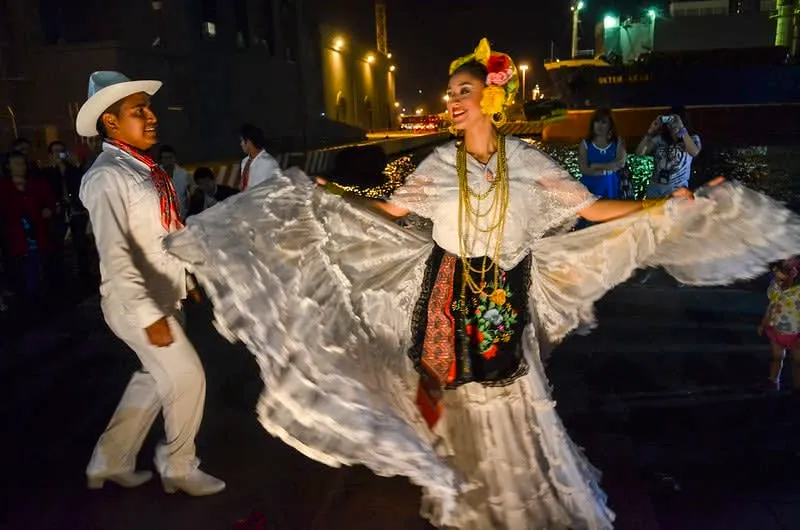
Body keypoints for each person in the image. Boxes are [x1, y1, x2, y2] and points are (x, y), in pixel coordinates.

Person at [165, 39, 800, 529]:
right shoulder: (439, 162)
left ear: (490, 97)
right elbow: (388, 212)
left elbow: (588, 209)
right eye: (449, 92)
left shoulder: (525, 162)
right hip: (446, 293)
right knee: (453, 395)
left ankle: (515, 495)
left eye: (463, 89)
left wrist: (661, 207)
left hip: (504, 296)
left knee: (513, 398)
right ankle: (463, 483)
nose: (453, 100)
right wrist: (323, 194)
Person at [76, 71, 224, 496]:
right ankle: (178, 465)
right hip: (134, 303)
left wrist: (186, 278)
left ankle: (109, 457)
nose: (151, 116)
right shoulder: (107, 176)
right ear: (111, 122)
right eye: (138, 110)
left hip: (163, 292)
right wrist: (149, 315)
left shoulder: (143, 167)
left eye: (149, 107)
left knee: (154, 380)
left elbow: (161, 235)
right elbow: (115, 253)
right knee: (188, 377)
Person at [0, 151, 57, 302]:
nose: (21, 167)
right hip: (17, 237)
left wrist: (48, 210)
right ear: (8, 166)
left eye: (23, 163)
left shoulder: (37, 183)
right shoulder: (4, 187)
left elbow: (49, 201)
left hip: (39, 233)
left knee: (44, 267)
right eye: (17, 164)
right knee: (25, 272)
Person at [636, 105, 701, 199]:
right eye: (671, 120)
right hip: (655, 189)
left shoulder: (691, 138)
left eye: (676, 121)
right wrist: (650, 132)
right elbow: (639, 153)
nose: (673, 124)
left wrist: (681, 129)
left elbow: (694, 152)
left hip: (677, 190)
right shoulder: (660, 139)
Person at [758, 258, 800, 391]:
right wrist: (764, 323)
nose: (777, 278)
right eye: (775, 275)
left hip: (797, 332)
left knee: (797, 362)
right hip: (776, 330)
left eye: (781, 276)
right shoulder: (775, 287)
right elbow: (771, 306)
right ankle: (773, 380)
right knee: (776, 358)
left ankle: (798, 386)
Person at [578, 107, 626, 200]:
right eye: (597, 122)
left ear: (610, 125)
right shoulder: (585, 144)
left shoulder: (618, 142)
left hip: (611, 187)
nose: (599, 125)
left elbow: (620, 164)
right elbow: (583, 169)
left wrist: (595, 166)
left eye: (604, 122)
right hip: (590, 188)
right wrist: (607, 170)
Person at [239, 124, 280, 191]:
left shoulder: (268, 162)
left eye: (242, 141)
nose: (241, 144)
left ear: (248, 142)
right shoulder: (244, 162)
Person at [158, 145, 191, 221]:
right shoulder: (156, 175)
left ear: (174, 158)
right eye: (165, 158)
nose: (168, 161)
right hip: (164, 219)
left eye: (170, 157)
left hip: (182, 217)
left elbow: (189, 197)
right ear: (161, 160)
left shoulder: (184, 174)